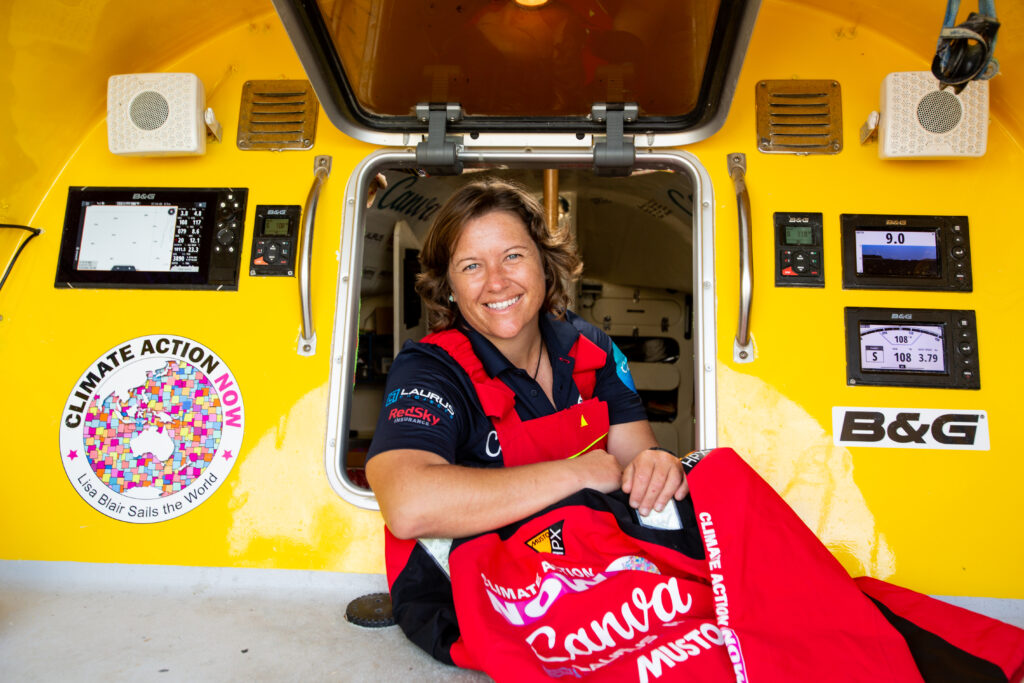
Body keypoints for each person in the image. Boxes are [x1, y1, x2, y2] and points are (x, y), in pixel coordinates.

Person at [365, 177, 688, 543]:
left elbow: (638, 459)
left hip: (599, 575)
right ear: (449, 288)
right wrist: (576, 474)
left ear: (545, 265)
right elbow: (409, 506)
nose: (497, 283)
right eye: (472, 266)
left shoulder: (591, 348)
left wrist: (657, 464)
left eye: (512, 256)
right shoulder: (430, 370)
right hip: (487, 594)